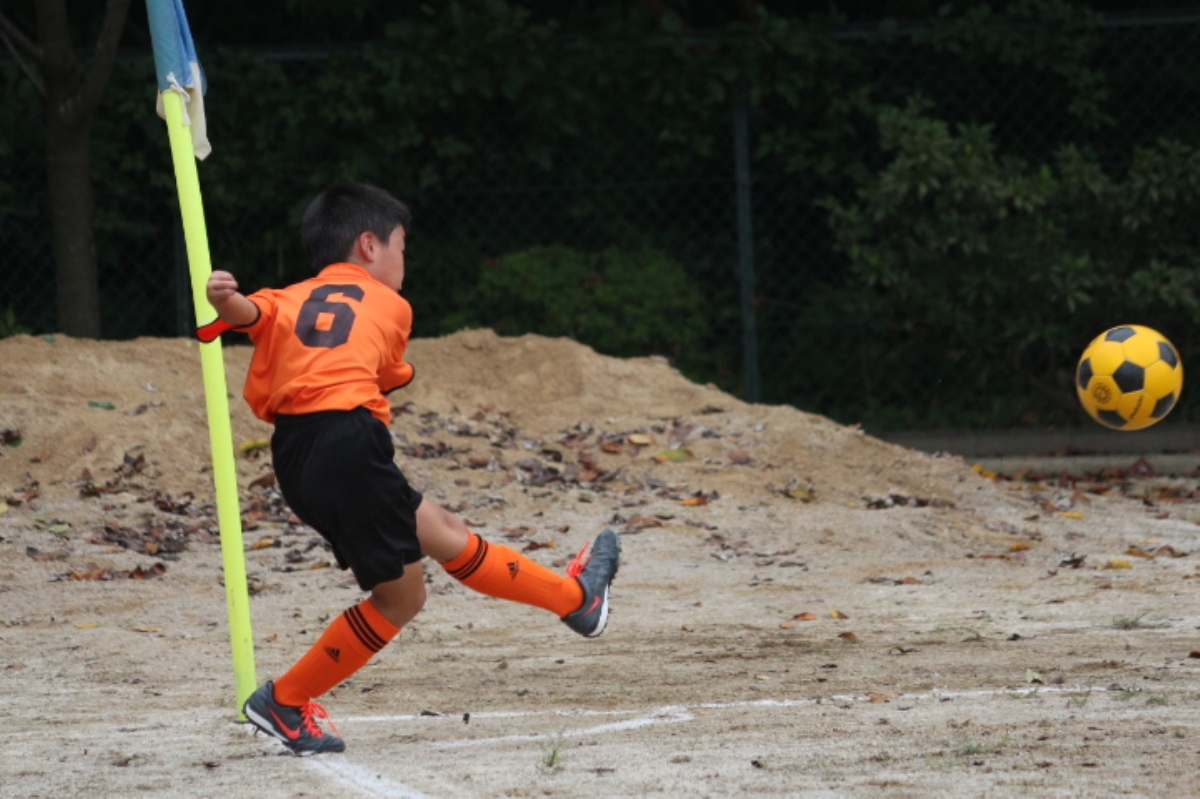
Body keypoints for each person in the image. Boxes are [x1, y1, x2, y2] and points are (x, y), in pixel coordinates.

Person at [204, 181, 621, 756]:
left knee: (444, 531)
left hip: (299, 452)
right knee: (401, 599)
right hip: (347, 443)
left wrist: (224, 299)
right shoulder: (392, 304)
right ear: (369, 245)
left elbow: (248, 313)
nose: (404, 261)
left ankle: (578, 601)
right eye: (401, 246)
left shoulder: (290, 296)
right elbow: (388, 371)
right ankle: (285, 700)